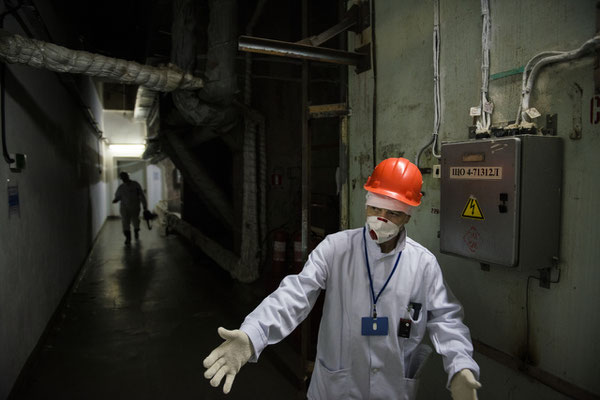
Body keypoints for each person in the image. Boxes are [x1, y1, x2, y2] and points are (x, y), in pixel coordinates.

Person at [203, 158, 481, 400]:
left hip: (393, 391)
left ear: (408, 215)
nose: (381, 219)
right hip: (337, 389)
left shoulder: (422, 264)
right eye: (375, 209)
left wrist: (461, 366)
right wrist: (253, 334)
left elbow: (446, 320)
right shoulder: (335, 249)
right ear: (367, 203)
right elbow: (296, 294)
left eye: (393, 213)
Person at [112, 171, 148, 245]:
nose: (123, 179)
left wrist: (144, 206)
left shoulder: (135, 185)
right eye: (122, 178)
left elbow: (141, 196)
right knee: (125, 222)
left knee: (136, 221)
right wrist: (116, 200)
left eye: (124, 177)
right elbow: (118, 196)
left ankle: (136, 231)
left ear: (127, 177)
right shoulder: (121, 187)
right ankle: (128, 238)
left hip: (134, 207)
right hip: (124, 208)